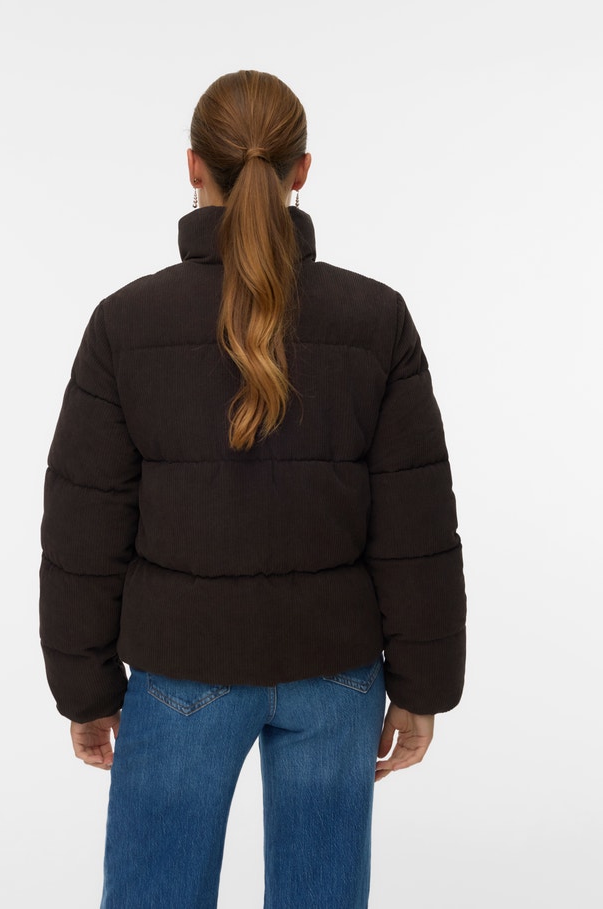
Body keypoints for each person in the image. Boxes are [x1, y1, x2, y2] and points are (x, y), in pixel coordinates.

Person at [38, 69, 467, 909]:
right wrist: (422, 687)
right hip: (337, 674)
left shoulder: (125, 323)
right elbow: (416, 522)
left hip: (180, 669)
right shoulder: (376, 319)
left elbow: (84, 526)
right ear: (302, 170)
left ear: (193, 166)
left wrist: (85, 690)